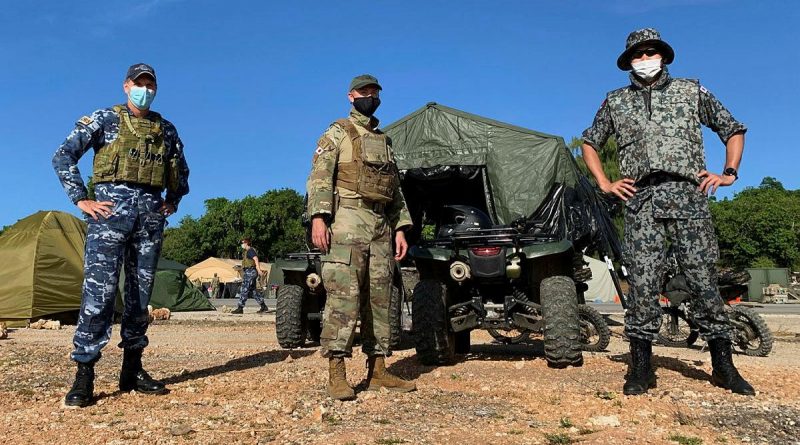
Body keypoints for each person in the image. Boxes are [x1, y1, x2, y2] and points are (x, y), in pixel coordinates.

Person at [581, 28, 753, 396]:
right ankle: (641, 368)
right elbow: (590, 142)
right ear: (628, 62)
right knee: (642, 283)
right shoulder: (615, 102)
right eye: (638, 55)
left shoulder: (691, 91)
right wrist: (605, 182)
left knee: (703, 279)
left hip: (688, 196)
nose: (645, 60)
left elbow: (733, 128)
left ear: (663, 55)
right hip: (640, 200)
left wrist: (729, 173)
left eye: (651, 52)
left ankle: (724, 365)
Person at [52, 63, 190, 407]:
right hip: (109, 216)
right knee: (99, 296)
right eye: (140, 83)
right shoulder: (105, 119)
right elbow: (63, 155)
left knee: (140, 298)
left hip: (148, 221)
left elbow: (181, 170)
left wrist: (171, 201)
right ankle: (84, 375)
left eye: (150, 84)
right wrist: (81, 198)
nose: (146, 89)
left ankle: (132, 371)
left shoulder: (166, 129)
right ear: (127, 86)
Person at [306, 74, 416, 401]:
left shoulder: (385, 141)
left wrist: (400, 227)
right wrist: (318, 218)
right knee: (344, 298)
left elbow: (394, 190)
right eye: (364, 91)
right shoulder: (337, 133)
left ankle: (379, 370)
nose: (371, 95)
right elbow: (319, 177)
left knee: (380, 299)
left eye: (375, 91)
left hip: (380, 225)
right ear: (351, 96)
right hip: (347, 221)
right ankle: (336, 374)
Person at [231, 238, 268, 314]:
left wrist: (258, 269)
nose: (242, 245)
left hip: (250, 271)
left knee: (244, 288)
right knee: (253, 291)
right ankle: (263, 306)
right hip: (250, 271)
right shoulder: (247, 251)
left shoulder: (250, 251)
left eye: (243, 243)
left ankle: (240, 307)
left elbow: (256, 259)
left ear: (246, 243)